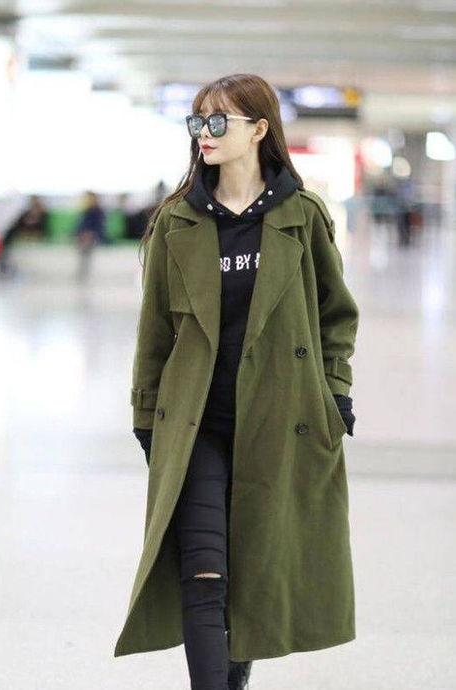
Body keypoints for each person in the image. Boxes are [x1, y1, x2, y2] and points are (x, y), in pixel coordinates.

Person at [116, 73, 359, 690]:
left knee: (248, 578)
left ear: (259, 129)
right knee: (204, 575)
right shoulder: (176, 222)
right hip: (195, 424)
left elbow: (336, 315)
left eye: (219, 120)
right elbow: (154, 333)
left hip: (278, 419)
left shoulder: (302, 216)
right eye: (198, 121)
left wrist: (335, 393)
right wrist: (146, 417)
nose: (205, 132)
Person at [0, 195, 48, 273]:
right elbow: (18, 223)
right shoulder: (26, 212)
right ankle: (3, 260)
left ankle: (4, 259)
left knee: (10, 234)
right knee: (10, 232)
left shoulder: (43, 213)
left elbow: (43, 228)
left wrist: (33, 220)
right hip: (21, 232)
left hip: (36, 233)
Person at [74, 191, 106, 280]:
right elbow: (79, 227)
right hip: (83, 238)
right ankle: (82, 275)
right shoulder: (85, 211)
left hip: (92, 238)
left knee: (86, 250)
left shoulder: (98, 212)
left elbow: (100, 228)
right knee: (83, 252)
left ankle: (84, 275)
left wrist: (90, 235)